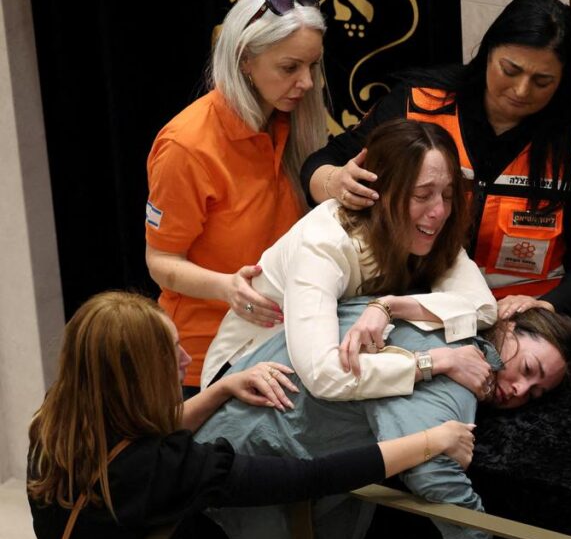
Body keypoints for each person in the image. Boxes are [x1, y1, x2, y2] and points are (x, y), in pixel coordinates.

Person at [26, 291, 476, 539]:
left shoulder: (56, 418)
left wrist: (221, 388)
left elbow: (135, 444)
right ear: (135, 377)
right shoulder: (170, 469)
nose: (186, 360)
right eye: (170, 355)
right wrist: (431, 441)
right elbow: (306, 477)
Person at [300, 0, 571, 329]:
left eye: (543, 81)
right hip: (409, 306)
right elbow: (323, 161)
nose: (521, 90)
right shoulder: (419, 102)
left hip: (522, 320)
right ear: (488, 53)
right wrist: (333, 181)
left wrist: (547, 306)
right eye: (510, 70)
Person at [195, 296, 571, 539]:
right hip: (237, 475)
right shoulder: (462, 375)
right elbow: (432, 475)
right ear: (509, 325)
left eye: (536, 393)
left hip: (221, 439)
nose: (520, 390)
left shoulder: (448, 305)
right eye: (528, 368)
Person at [200, 119, 498, 402]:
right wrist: (435, 362)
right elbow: (323, 374)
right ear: (378, 193)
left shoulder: (431, 231)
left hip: (311, 375)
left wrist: (389, 306)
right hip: (242, 378)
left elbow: (483, 308)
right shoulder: (324, 241)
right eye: (422, 195)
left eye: (447, 195)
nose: (439, 212)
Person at [145, 0, 328, 395]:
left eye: (313, 66)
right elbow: (160, 260)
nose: (308, 82)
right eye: (290, 68)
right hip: (202, 362)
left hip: (281, 346)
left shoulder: (290, 124)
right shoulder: (187, 146)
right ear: (245, 59)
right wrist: (227, 287)